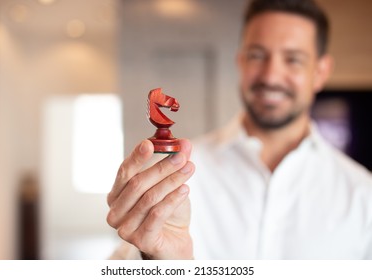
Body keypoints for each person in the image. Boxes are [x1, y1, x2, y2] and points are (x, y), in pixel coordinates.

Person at [107, 0, 372, 259]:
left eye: (293, 59)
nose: (270, 76)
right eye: (257, 55)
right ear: (240, 62)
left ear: (321, 72)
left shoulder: (363, 194)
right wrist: (161, 263)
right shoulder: (178, 172)